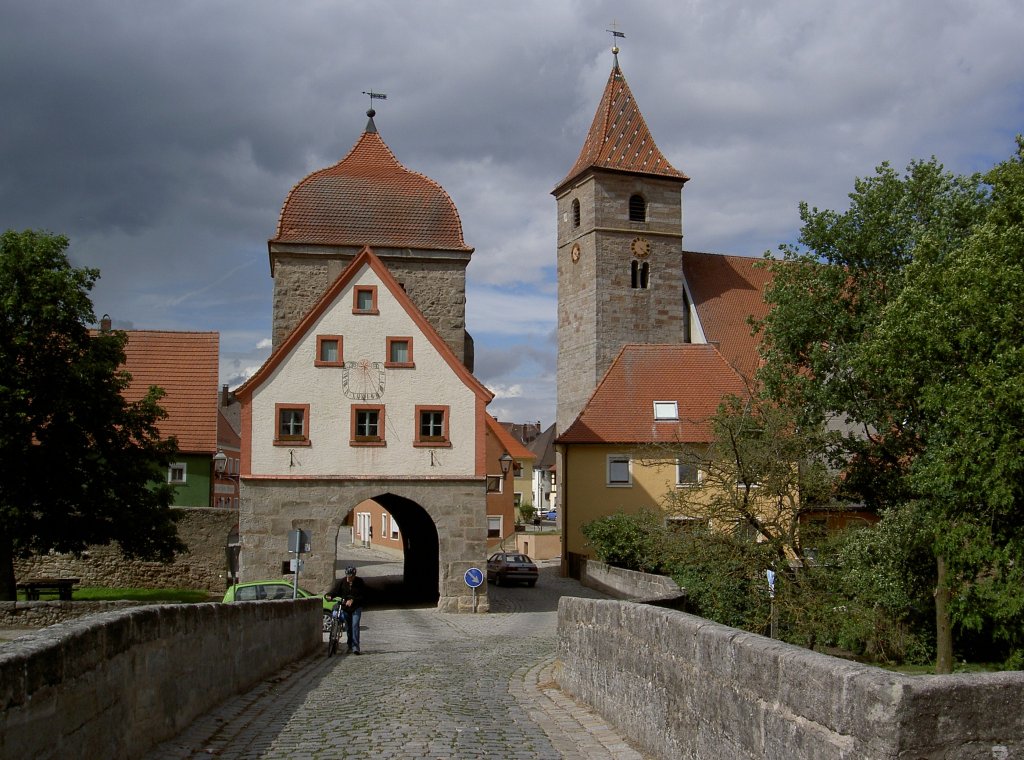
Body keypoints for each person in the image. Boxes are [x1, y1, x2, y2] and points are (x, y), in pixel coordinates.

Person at [328, 566, 366, 654]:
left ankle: (356, 647)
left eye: (351, 576)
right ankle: (349, 644)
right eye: (347, 576)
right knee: (348, 627)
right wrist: (330, 595)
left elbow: (363, 595)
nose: (349, 578)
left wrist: (353, 600)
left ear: (354, 575)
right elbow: (335, 591)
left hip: (356, 607)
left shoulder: (359, 582)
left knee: (355, 625)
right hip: (345, 608)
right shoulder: (342, 582)